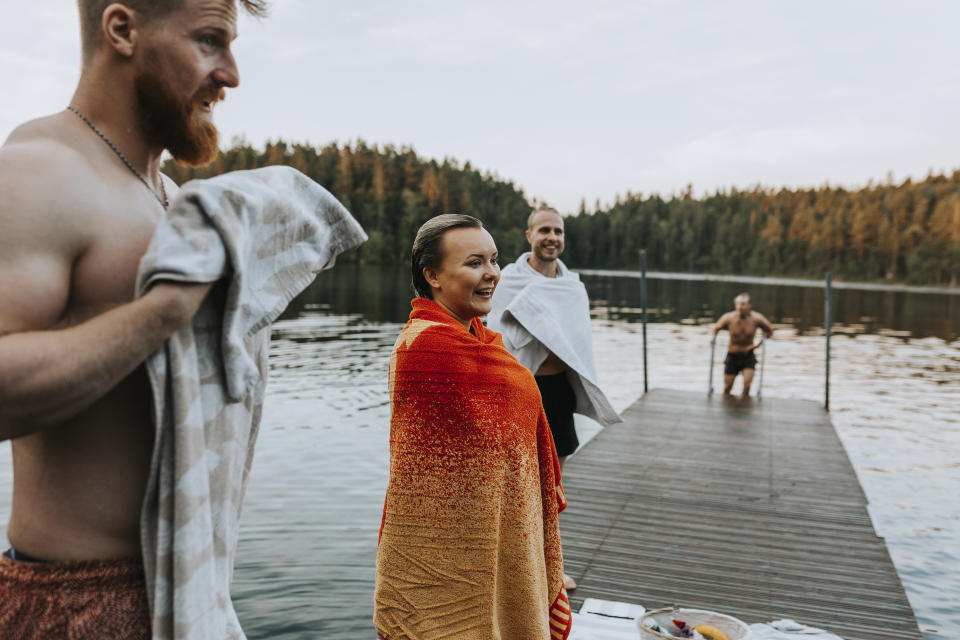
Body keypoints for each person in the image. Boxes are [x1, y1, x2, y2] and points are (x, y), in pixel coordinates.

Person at [0, 0, 267, 637]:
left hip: (192, 587)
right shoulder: (40, 170)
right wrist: (163, 313)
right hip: (73, 603)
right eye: (210, 41)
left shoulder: (174, 199)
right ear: (122, 29)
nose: (230, 74)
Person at [374, 214, 573, 640]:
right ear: (432, 276)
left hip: (503, 532)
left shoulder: (484, 341)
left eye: (495, 260)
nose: (492, 275)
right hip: (443, 554)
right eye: (474, 263)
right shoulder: (424, 349)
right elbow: (422, 476)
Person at [487, 206, 621, 591]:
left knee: (553, 485)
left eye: (558, 231)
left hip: (558, 392)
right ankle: (506, 568)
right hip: (519, 392)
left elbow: (576, 344)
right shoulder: (506, 280)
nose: (552, 238)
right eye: (544, 230)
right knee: (512, 482)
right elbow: (494, 332)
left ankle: (548, 568)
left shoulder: (572, 287)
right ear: (528, 234)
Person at [712, 293, 774, 398]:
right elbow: (716, 329)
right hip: (732, 355)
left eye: (743, 304)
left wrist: (759, 344)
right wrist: (714, 340)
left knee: (747, 386)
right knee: (727, 387)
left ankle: (743, 410)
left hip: (748, 355)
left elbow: (769, 330)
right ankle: (727, 410)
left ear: (749, 305)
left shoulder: (756, 318)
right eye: (738, 304)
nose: (740, 307)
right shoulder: (729, 317)